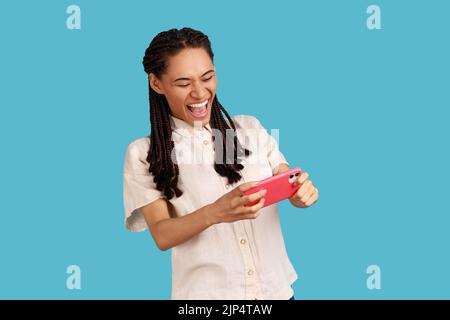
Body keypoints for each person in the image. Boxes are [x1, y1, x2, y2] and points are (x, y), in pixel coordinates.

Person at [123, 27, 319, 300]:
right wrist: (215, 212)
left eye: (208, 77)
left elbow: (286, 179)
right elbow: (162, 235)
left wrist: (300, 192)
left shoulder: (249, 129)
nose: (199, 92)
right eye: (183, 83)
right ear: (157, 83)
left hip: (275, 293)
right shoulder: (143, 153)